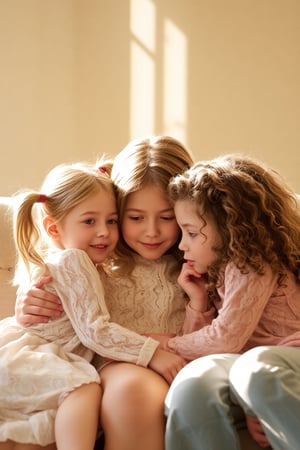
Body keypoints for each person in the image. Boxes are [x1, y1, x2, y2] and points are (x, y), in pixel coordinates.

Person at [13, 135, 195, 450]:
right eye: (135, 217)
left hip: (184, 358)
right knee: (132, 392)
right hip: (113, 363)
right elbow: (55, 278)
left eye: (167, 218)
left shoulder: (199, 257)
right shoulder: (97, 255)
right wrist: (28, 301)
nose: (151, 231)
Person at [161, 154, 300, 450]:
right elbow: (208, 345)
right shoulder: (218, 267)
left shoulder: (253, 261)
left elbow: (225, 339)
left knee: (256, 367)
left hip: (286, 354)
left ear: (230, 228)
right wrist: (198, 302)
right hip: (243, 359)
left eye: (192, 233)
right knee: (192, 384)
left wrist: (163, 345)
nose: (182, 244)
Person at [229, 344, 300, 450]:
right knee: (200, 390)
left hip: (289, 344)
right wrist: (251, 400)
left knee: (256, 368)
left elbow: (227, 341)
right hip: (233, 356)